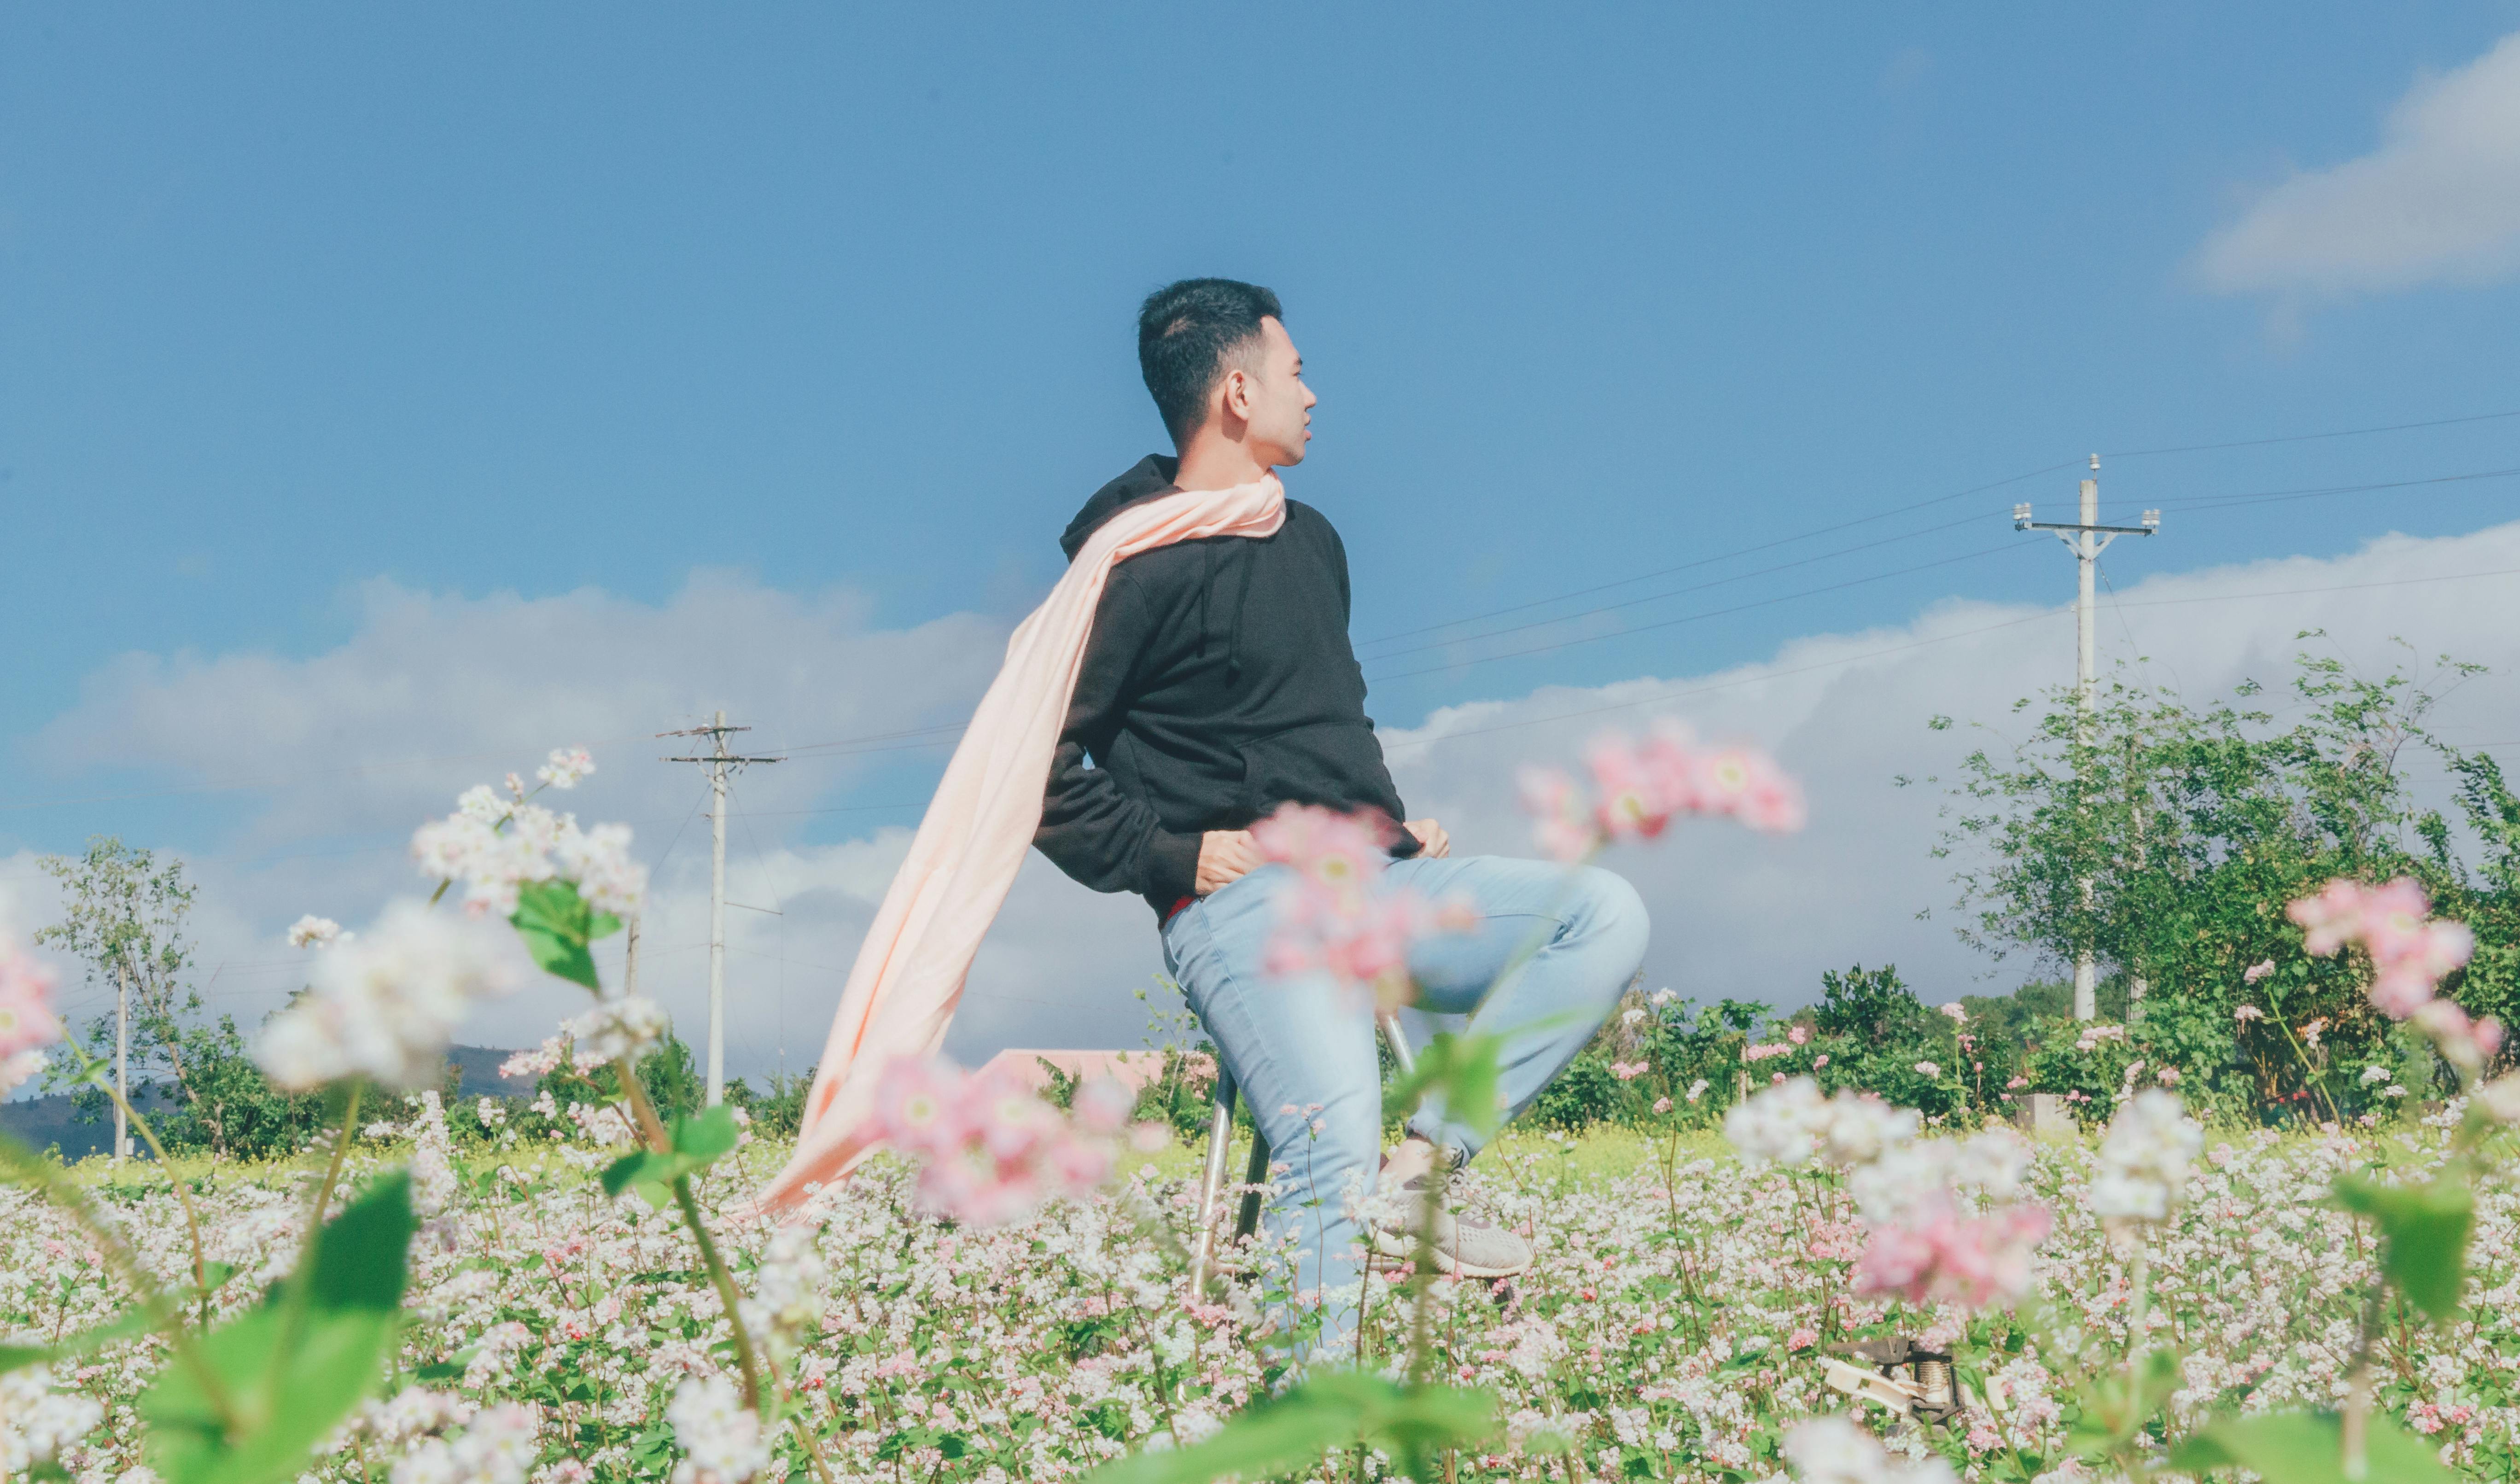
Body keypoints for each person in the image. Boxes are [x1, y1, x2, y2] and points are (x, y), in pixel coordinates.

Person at [1034, 278, 1647, 1346]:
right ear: (1236, 391)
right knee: (1329, 1132)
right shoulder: (1128, 561)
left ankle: (1418, 1178)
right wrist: (1172, 852)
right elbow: (1034, 776)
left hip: (1377, 885)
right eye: (1296, 370)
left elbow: (1317, 719)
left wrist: (1390, 826)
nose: (1312, 394)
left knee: (1601, 913)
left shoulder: (1311, 541)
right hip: (1250, 912)